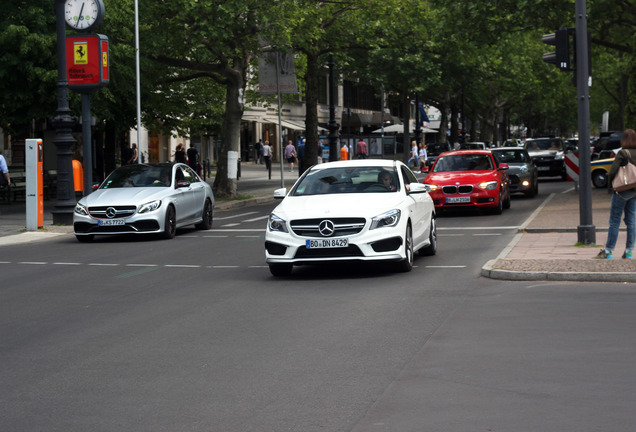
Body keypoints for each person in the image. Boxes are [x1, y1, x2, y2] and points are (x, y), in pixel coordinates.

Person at [597, 129, 636, 259]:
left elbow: (613, 170)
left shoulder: (622, 153)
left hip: (621, 191)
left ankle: (608, 251)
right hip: (634, 191)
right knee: (631, 221)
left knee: (614, 221)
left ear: (623, 140)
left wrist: (610, 185)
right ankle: (629, 251)